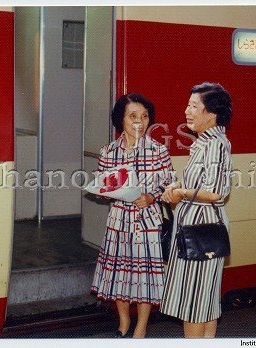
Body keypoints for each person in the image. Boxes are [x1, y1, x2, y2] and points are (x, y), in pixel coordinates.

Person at [90, 93, 174, 338]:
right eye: (133, 116)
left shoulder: (158, 151)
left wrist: (151, 196)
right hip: (118, 220)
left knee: (144, 276)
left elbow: (169, 183)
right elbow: (104, 186)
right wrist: (104, 192)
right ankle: (124, 322)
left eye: (145, 116)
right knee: (119, 274)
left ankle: (141, 327)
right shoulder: (109, 152)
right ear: (121, 119)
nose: (140, 121)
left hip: (146, 220)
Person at [160, 82, 232, 338]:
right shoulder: (206, 141)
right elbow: (201, 184)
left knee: (194, 304)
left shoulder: (215, 144)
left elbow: (215, 192)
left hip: (200, 233)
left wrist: (181, 193)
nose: (187, 111)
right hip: (196, 230)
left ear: (211, 113)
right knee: (205, 302)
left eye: (193, 106)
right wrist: (179, 186)